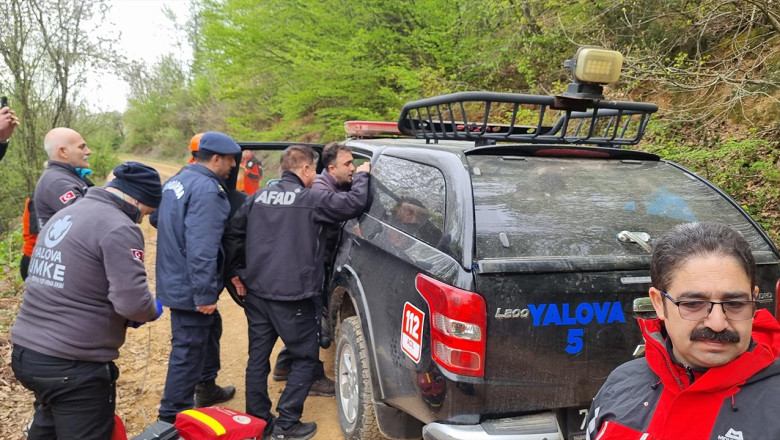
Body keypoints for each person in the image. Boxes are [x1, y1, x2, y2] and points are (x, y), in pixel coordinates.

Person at [225, 144, 370, 440]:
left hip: (258, 295)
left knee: (257, 359)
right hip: (294, 298)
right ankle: (287, 423)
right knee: (305, 359)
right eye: (312, 170)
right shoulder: (311, 199)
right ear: (305, 169)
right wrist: (364, 175)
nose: (313, 175)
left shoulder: (257, 198)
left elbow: (232, 236)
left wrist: (238, 273)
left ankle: (258, 422)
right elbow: (354, 203)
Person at [10, 161, 164, 440]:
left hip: (28, 354)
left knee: (48, 429)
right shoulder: (118, 226)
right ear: (137, 199)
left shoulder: (66, 214)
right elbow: (134, 304)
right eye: (145, 212)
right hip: (73, 365)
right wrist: (152, 309)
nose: (141, 219)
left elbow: (67, 278)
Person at [585, 222, 780, 440]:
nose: (717, 323)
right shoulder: (620, 384)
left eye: (735, 303)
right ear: (659, 303)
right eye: (693, 304)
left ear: (753, 299)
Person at [155, 131, 240, 424]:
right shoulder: (208, 191)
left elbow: (157, 218)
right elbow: (203, 247)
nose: (232, 166)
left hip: (175, 277)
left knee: (210, 329)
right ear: (216, 159)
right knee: (188, 350)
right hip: (190, 285)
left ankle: (206, 387)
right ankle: (171, 417)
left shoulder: (178, 180)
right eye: (229, 160)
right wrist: (204, 294)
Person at [271, 142, 357, 393]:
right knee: (308, 321)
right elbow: (350, 204)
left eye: (353, 164)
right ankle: (309, 377)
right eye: (348, 164)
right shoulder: (318, 190)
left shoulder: (325, 185)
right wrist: (362, 178)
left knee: (307, 321)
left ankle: (285, 365)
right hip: (312, 266)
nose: (352, 168)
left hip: (314, 263)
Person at [33, 127, 95, 229]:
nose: (88, 151)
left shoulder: (71, 175)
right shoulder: (56, 182)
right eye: (81, 147)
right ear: (63, 152)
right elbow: (87, 217)